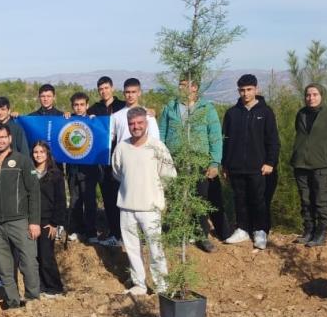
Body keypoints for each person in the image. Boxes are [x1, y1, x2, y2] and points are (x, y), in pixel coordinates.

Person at [158, 77, 231, 251]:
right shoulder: (170, 107)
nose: (180, 88)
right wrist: (161, 158)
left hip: (200, 162)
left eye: (184, 85)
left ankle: (201, 236)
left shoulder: (207, 108)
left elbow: (215, 137)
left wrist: (214, 162)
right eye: (179, 85)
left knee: (200, 199)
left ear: (194, 87)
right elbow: (161, 133)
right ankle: (176, 233)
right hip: (175, 161)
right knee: (175, 198)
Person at [111, 107, 177, 295]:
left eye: (140, 123)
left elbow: (169, 175)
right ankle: (139, 283)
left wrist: (155, 192)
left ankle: (161, 286)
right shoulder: (122, 147)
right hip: (126, 206)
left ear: (146, 124)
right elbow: (117, 172)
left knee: (156, 248)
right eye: (132, 124)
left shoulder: (158, 147)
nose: (136, 127)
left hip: (150, 208)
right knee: (132, 248)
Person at [0, 123, 41, 308]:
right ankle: (13, 301)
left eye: (2, 137)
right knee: (5, 267)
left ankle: (32, 299)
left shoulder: (22, 160)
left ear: (10, 138)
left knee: (29, 262)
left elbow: (34, 192)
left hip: (20, 221)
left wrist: (34, 222)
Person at [222, 74, 280, 250]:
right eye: (242, 90)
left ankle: (260, 230)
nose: (245, 93)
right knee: (240, 198)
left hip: (259, 167)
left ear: (256, 89)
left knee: (259, 200)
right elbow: (226, 140)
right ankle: (242, 229)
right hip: (236, 166)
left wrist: (270, 162)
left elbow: (273, 141)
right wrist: (225, 164)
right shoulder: (232, 113)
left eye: (249, 89)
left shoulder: (266, 112)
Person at [291, 83, 327, 247]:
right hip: (301, 164)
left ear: (321, 96)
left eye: (314, 94)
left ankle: (321, 233)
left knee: (321, 200)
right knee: (305, 200)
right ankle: (308, 230)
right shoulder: (301, 114)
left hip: (323, 165)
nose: (311, 98)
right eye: (308, 95)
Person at [86, 76, 127, 245]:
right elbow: (82, 123)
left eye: (106, 88)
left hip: (123, 157)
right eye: (100, 89)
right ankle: (114, 233)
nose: (103, 91)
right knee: (109, 197)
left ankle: (127, 234)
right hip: (103, 161)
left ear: (112, 88)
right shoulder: (94, 109)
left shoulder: (123, 106)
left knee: (124, 197)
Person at [65, 92, 103, 243]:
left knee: (90, 201)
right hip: (73, 169)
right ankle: (77, 230)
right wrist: (65, 117)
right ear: (72, 106)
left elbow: (103, 136)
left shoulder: (94, 121)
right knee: (75, 201)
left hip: (90, 170)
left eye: (82, 104)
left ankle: (91, 232)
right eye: (76, 105)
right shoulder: (68, 121)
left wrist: (96, 123)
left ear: (87, 105)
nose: (79, 108)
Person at [32, 141, 66, 298]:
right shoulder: (30, 172)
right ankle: (42, 286)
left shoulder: (55, 174)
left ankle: (55, 287)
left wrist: (55, 223)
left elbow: (60, 200)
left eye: (41, 152)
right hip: (32, 220)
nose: (38, 155)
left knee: (46, 255)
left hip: (47, 221)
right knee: (35, 255)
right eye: (36, 152)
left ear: (47, 154)